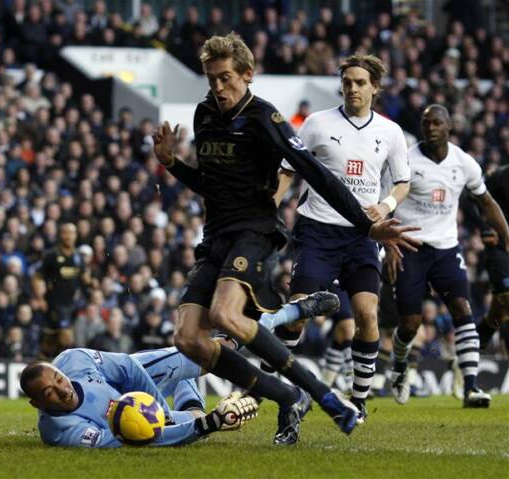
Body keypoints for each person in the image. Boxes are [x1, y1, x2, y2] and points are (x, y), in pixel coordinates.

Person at [152, 33, 419, 444]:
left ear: (247, 74)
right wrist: (172, 164)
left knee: (226, 315)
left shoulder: (265, 118)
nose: (218, 88)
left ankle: (326, 394)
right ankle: (287, 395)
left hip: (256, 231)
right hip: (217, 236)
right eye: (211, 79)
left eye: (226, 78)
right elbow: (209, 184)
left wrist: (367, 224)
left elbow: (315, 173)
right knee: (187, 339)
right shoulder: (204, 115)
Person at [270, 54, 411, 422]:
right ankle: (278, 390)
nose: (352, 88)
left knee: (367, 315)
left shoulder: (390, 132)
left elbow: (403, 181)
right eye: (347, 82)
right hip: (318, 231)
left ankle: (359, 401)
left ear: (375, 87)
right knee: (297, 313)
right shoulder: (317, 123)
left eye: (360, 82)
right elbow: (287, 169)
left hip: (363, 235)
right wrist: (270, 206)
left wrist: (387, 204)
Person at [386, 105, 509, 408]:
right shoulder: (405, 161)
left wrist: (507, 235)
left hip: (445, 249)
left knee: (462, 309)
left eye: (436, 123)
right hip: (409, 246)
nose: (430, 128)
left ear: (449, 126)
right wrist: (388, 244)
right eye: (425, 123)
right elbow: (384, 203)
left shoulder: (463, 162)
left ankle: (471, 386)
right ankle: (400, 367)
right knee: (411, 323)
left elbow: (486, 202)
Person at [19, 346, 259, 448]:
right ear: (37, 404)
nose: (62, 389)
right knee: (193, 419)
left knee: (191, 353)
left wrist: (163, 416)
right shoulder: (61, 431)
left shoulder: (74, 360)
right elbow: (128, 440)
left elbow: (127, 366)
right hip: (131, 419)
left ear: (62, 372)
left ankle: (255, 333)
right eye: (48, 392)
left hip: (131, 389)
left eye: (59, 379)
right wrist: (208, 424)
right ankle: (196, 410)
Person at [35, 223, 91, 357]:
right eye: (65, 233)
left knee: (51, 339)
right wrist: (40, 298)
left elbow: (83, 277)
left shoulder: (78, 256)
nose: (69, 236)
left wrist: (92, 283)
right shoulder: (51, 255)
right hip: (55, 303)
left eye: (72, 233)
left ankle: (45, 361)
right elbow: (37, 277)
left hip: (72, 303)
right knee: (66, 337)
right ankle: (63, 367)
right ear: (60, 235)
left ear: (76, 236)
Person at [472, 165, 509, 352]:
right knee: (507, 297)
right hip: (500, 247)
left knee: (498, 314)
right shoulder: (500, 175)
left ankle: (470, 351)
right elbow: (474, 198)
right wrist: (485, 226)